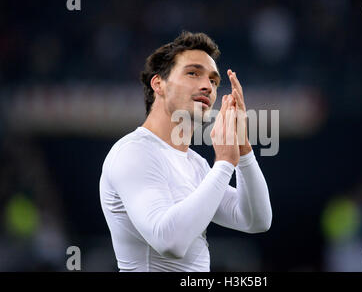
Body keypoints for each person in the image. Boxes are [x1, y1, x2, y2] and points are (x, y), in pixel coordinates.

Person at [99, 31, 272, 272]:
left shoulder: (195, 164)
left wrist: (243, 149)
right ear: (158, 83)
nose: (207, 86)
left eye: (213, 80)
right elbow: (169, 242)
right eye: (193, 73)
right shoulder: (133, 152)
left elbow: (256, 219)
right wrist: (223, 164)